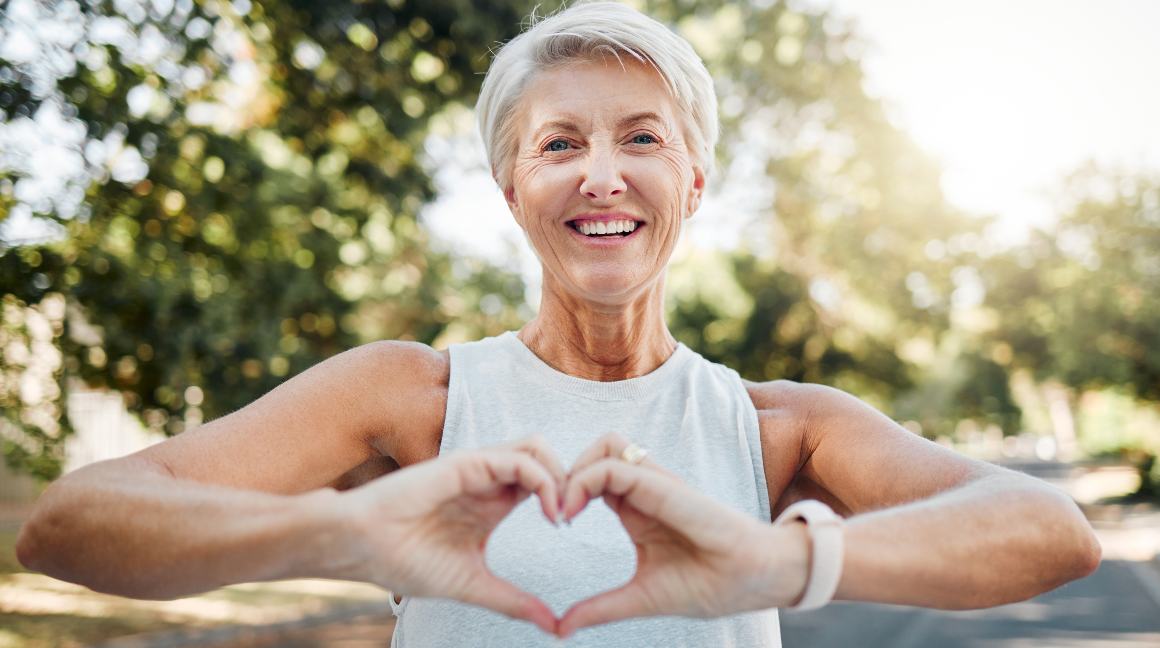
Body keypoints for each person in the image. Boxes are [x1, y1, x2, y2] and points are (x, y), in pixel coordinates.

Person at [17, 2, 1101, 646]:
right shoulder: (409, 398)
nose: (600, 173)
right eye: (556, 144)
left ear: (691, 179)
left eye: (639, 137)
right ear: (509, 188)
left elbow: (1050, 535)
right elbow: (70, 524)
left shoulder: (777, 428)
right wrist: (345, 533)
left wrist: (779, 565)